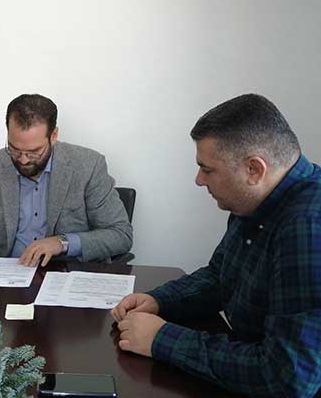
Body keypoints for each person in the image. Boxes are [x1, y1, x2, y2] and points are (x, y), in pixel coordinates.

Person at [111, 94, 321, 396]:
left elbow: (287, 378)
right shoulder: (253, 200)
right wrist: (159, 300)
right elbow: (220, 277)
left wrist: (162, 339)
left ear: (254, 170)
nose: (198, 180)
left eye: (207, 169)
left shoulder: (308, 227)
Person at [0, 93, 132, 266]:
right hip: (7, 272)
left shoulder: (88, 166)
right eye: (14, 149)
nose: (23, 160)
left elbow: (120, 235)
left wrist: (62, 243)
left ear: (53, 136)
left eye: (34, 152)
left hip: (64, 272)